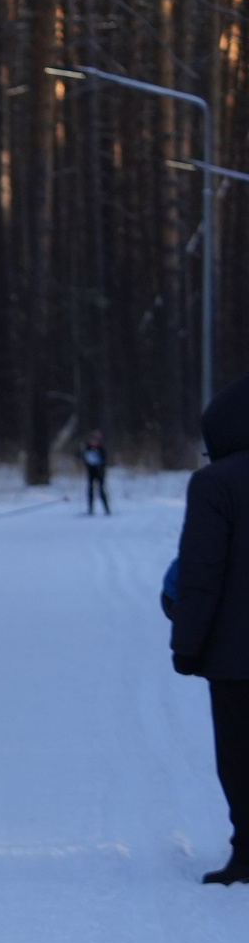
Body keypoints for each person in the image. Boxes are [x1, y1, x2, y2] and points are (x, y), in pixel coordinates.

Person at [170, 374, 249, 883]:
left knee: (241, 757)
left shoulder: (216, 484)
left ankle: (248, 852)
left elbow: (200, 573)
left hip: (236, 658)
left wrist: (187, 643)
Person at [82, 431, 112, 516]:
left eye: (95, 441)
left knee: (101, 490)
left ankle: (106, 509)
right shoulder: (87, 448)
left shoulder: (101, 449)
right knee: (90, 490)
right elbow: (80, 456)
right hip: (91, 472)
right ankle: (90, 509)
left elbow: (104, 459)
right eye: (92, 440)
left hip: (100, 472)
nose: (94, 442)